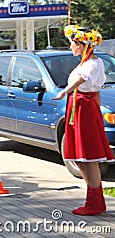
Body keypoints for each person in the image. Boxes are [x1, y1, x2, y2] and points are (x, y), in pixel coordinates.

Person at [52, 25, 114, 215]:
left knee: (88, 156)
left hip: (83, 109)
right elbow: (93, 92)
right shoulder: (87, 62)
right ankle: (95, 201)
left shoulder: (92, 64)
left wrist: (64, 91)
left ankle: (94, 203)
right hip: (81, 108)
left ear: (82, 44)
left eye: (73, 43)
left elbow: (79, 80)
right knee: (81, 157)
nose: (71, 47)